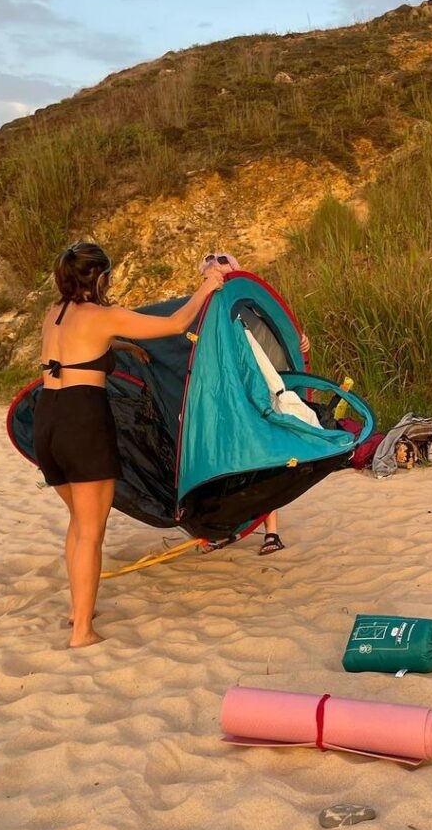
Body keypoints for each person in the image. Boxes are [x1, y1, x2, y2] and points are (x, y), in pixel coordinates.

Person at [35, 241, 226, 647]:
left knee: (78, 522)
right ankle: (83, 632)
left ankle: (76, 611)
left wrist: (123, 347)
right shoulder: (104, 315)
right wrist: (206, 287)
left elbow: (78, 353)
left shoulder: (53, 315)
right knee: (91, 531)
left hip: (47, 419)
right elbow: (176, 324)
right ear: (100, 278)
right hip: (81, 422)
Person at [199, 252, 310, 556]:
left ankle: (271, 533)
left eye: (223, 274)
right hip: (225, 402)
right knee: (229, 464)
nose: (219, 280)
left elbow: (280, 339)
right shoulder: (202, 311)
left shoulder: (248, 306)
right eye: (213, 276)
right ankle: (223, 529)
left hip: (259, 394)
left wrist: (301, 342)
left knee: (267, 460)